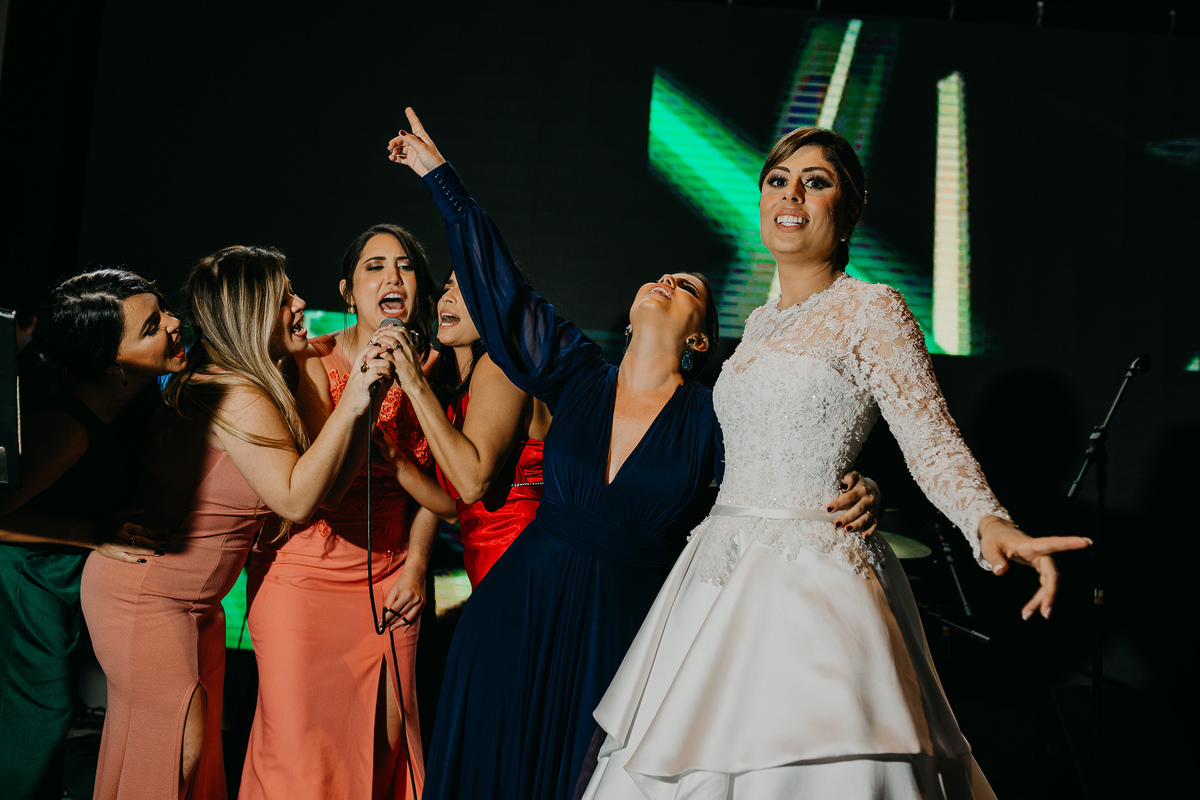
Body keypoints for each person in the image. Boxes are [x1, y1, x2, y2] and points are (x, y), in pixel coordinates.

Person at [580, 127, 1094, 800]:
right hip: (716, 578)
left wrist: (990, 524)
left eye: (815, 182)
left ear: (847, 212)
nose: (791, 194)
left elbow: (931, 438)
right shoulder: (758, 324)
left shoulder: (872, 308)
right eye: (777, 180)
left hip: (812, 583)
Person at [385, 109, 881, 800]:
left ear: (700, 338)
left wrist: (861, 485)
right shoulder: (576, 374)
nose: (667, 281)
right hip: (514, 616)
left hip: (624, 644)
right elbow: (504, 292)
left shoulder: (717, 416)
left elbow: (785, 473)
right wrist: (440, 177)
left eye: (689, 288)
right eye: (662, 276)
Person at [81, 246, 394, 800]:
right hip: (147, 598)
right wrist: (351, 402)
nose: (301, 303)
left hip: (190, 605)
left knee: (177, 760)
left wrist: (363, 404)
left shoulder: (246, 385)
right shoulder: (235, 394)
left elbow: (327, 491)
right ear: (252, 314)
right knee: (175, 749)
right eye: (284, 297)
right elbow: (296, 501)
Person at [240, 224, 441, 800]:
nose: (392, 277)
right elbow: (323, 487)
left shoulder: (437, 367)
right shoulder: (311, 359)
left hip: (393, 574)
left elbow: (443, 485)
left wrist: (416, 566)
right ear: (348, 291)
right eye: (375, 267)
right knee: (303, 752)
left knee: (386, 742)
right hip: (304, 575)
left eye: (405, 266)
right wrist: (367, 391)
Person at [0, 270, 184, 799]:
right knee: (40, 718)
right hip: (24, 582)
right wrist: (91, 534)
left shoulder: (133, 400)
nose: (174, 324)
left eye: (164, 310)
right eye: (152, 326)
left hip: (56, 583)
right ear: (112, 365)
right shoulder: (66, 430)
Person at [375, 268, 551, 588]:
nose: (449, 297)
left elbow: (472, 483)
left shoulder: (500, 366)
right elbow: (454, 509)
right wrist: (395, 460)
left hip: (523, 564)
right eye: (448, 287)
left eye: (467, 289)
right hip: (489, 566)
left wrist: (414, 383)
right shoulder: (456, 388)